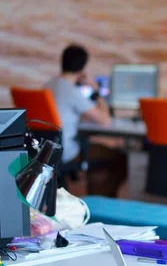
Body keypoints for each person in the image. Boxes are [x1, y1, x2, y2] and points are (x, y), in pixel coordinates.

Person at [44, 44, 127, 197]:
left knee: (100, 156)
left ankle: (94, 197)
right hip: (67, 152)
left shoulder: (48, 86)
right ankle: (101, 203)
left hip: (48, 152)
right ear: (82, 69)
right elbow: (105, 121)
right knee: (119, 157)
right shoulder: (71, 91)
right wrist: (95, 90)